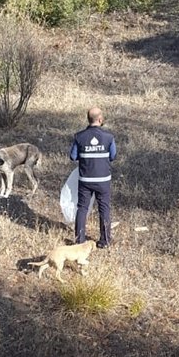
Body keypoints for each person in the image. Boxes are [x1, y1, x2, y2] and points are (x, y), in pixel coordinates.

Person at [70, 106, 116, 249]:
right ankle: (105, 241)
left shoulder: (79, 136)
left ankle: (79, 240)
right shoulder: (109, 137)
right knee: (104, 208)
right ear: (100, 119)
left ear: (88, 119)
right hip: (103, 180)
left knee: (82, 208)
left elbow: (73, 156)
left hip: (85, 180)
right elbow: (113, 156)